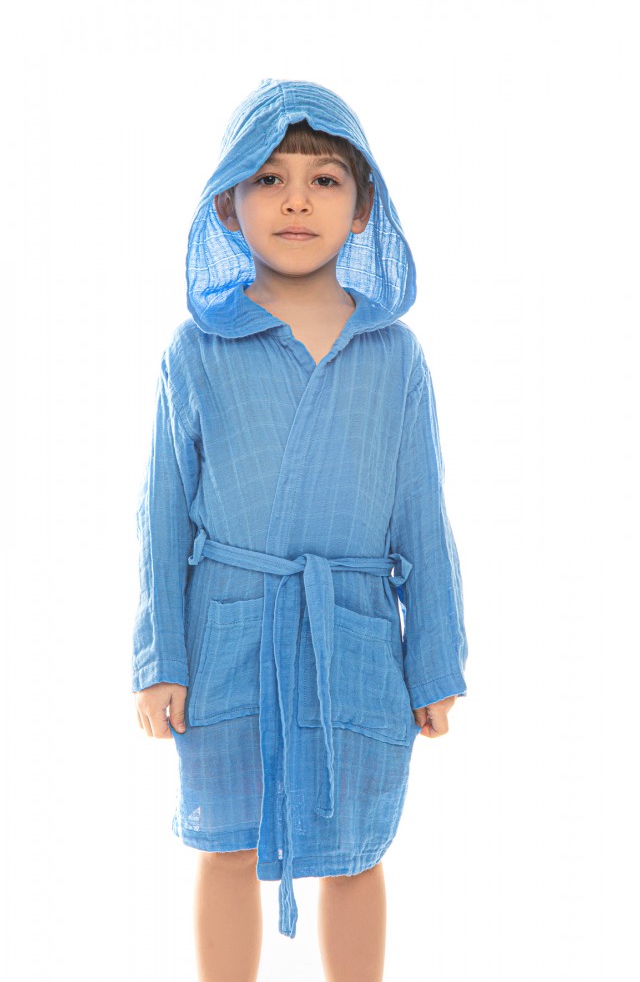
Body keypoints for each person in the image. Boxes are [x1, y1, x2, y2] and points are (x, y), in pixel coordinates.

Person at [132, 78, 469, 981]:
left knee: (356, 849)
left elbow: (422, 512)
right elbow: (160, 511)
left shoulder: (394, 354)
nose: (295, 200)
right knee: (227, 841)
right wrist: (161, 660)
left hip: (354, 633)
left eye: (324, 180)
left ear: (363, 210)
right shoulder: (196, 350)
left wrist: (434, 659)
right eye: (269, 178)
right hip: (228, 628)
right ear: (227, 206)